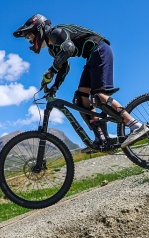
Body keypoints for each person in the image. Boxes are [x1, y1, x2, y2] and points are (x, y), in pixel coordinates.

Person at [13, 14, 149, 150]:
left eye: (30, 36)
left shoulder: (56, 33)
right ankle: (101, 137)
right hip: (91, 57)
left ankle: (136, 126)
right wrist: (54, 87)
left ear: (39, 29)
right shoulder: (52, 48)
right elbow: (64, 67)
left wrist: (51, 71)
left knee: (98, 97)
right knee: (80, 99)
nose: (31, 41)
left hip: (100, 50)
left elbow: (69, 49)